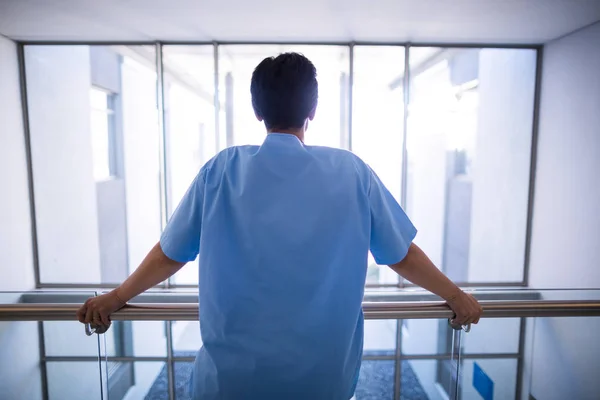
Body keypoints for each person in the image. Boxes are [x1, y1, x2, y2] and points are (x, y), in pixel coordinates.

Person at [77, 52, 482, 400]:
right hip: (321, 383)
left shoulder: (222, 170)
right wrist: (455, 296)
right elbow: (401, 255)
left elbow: (170, 253)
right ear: (313, 111)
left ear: (257, 110)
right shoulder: (352, 173)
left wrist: (116, 297)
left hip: (229, 384)